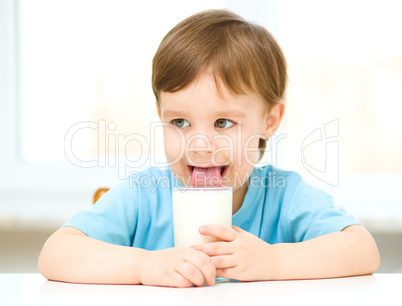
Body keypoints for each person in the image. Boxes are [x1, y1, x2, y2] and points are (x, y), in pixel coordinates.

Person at [38, 9, 380, 287]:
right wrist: (144, 266)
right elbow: (55, 254)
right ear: (161, 116)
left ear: (270, 121)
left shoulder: (284, 196)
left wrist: (273, 261)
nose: (200, 147)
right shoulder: (144, 196)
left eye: (222, 123)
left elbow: (363, 250)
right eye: (180, 123)